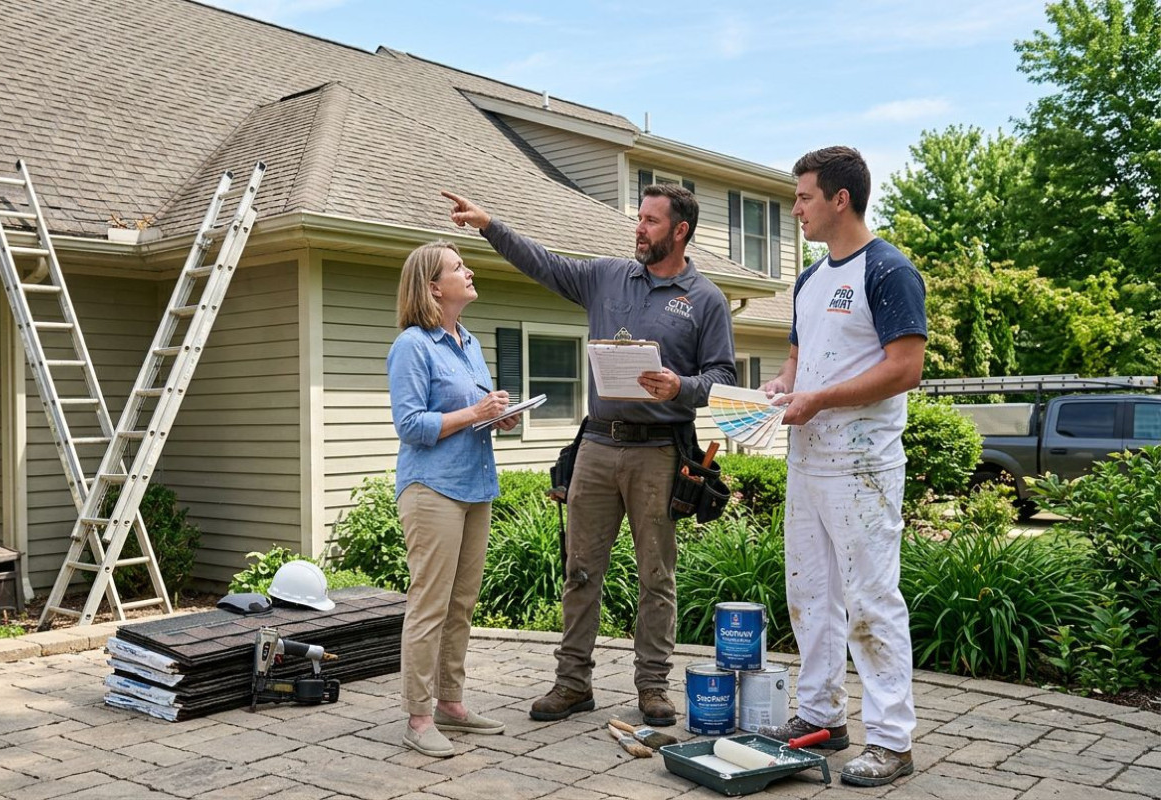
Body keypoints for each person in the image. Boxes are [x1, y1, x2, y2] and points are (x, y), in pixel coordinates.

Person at [443, 185, 736, 727]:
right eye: (639, 218)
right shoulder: (606, 276)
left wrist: (682, 386)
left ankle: (653, 686)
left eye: (651, 221)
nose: (639, 228)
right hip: (598, 445)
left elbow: (723, 377)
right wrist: (489, 225)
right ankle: (573, 683)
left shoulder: (705, 299)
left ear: (680, 231)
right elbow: (544, 264)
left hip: (659, 452)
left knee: (656, 576)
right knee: (579, 570)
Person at [756, 146, 926, 787]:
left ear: (840, 199)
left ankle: (892, 741)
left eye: (804, 197)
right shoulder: (808, 280)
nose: (796, 209)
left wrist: (820, 399)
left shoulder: (888, 270)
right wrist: (781, 389)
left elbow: (905, 369)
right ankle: (822, 717)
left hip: (863, 467)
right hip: (808, 461)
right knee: (810, 595)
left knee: (870, 601)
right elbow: (798, 363)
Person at [387, 240, 517, 758]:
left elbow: (474, 413)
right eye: (458, 267)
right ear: (433, 287)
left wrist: (499, 416)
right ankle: (418, 718)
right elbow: (410, 424)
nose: (469, 271)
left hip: (475, 486)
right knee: (430, 606)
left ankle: (451, 703)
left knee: (462, 604)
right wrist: (475, 413)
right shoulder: (413, 346)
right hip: (432, 489)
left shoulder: (470, 342)